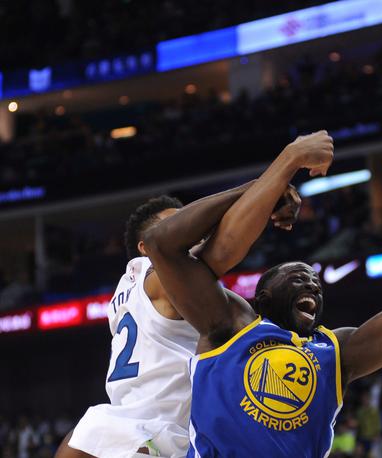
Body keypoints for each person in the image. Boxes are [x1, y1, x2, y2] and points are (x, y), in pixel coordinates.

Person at [144, 117, 382, 456]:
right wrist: (259, 186)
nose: (313, 287)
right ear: (263, 297)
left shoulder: (336, 352)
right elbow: (161, 245)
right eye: (299, 278)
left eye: (316, 285)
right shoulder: (228, 324)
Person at [54, 133, 321, 457]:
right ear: (145, 246)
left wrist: (264, 191)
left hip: (114, 429)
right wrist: (275, 174)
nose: (194, 233)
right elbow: (223, 247)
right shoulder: (155, 275)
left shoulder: (131, 291)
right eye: (179, 225)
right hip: (158, 436)